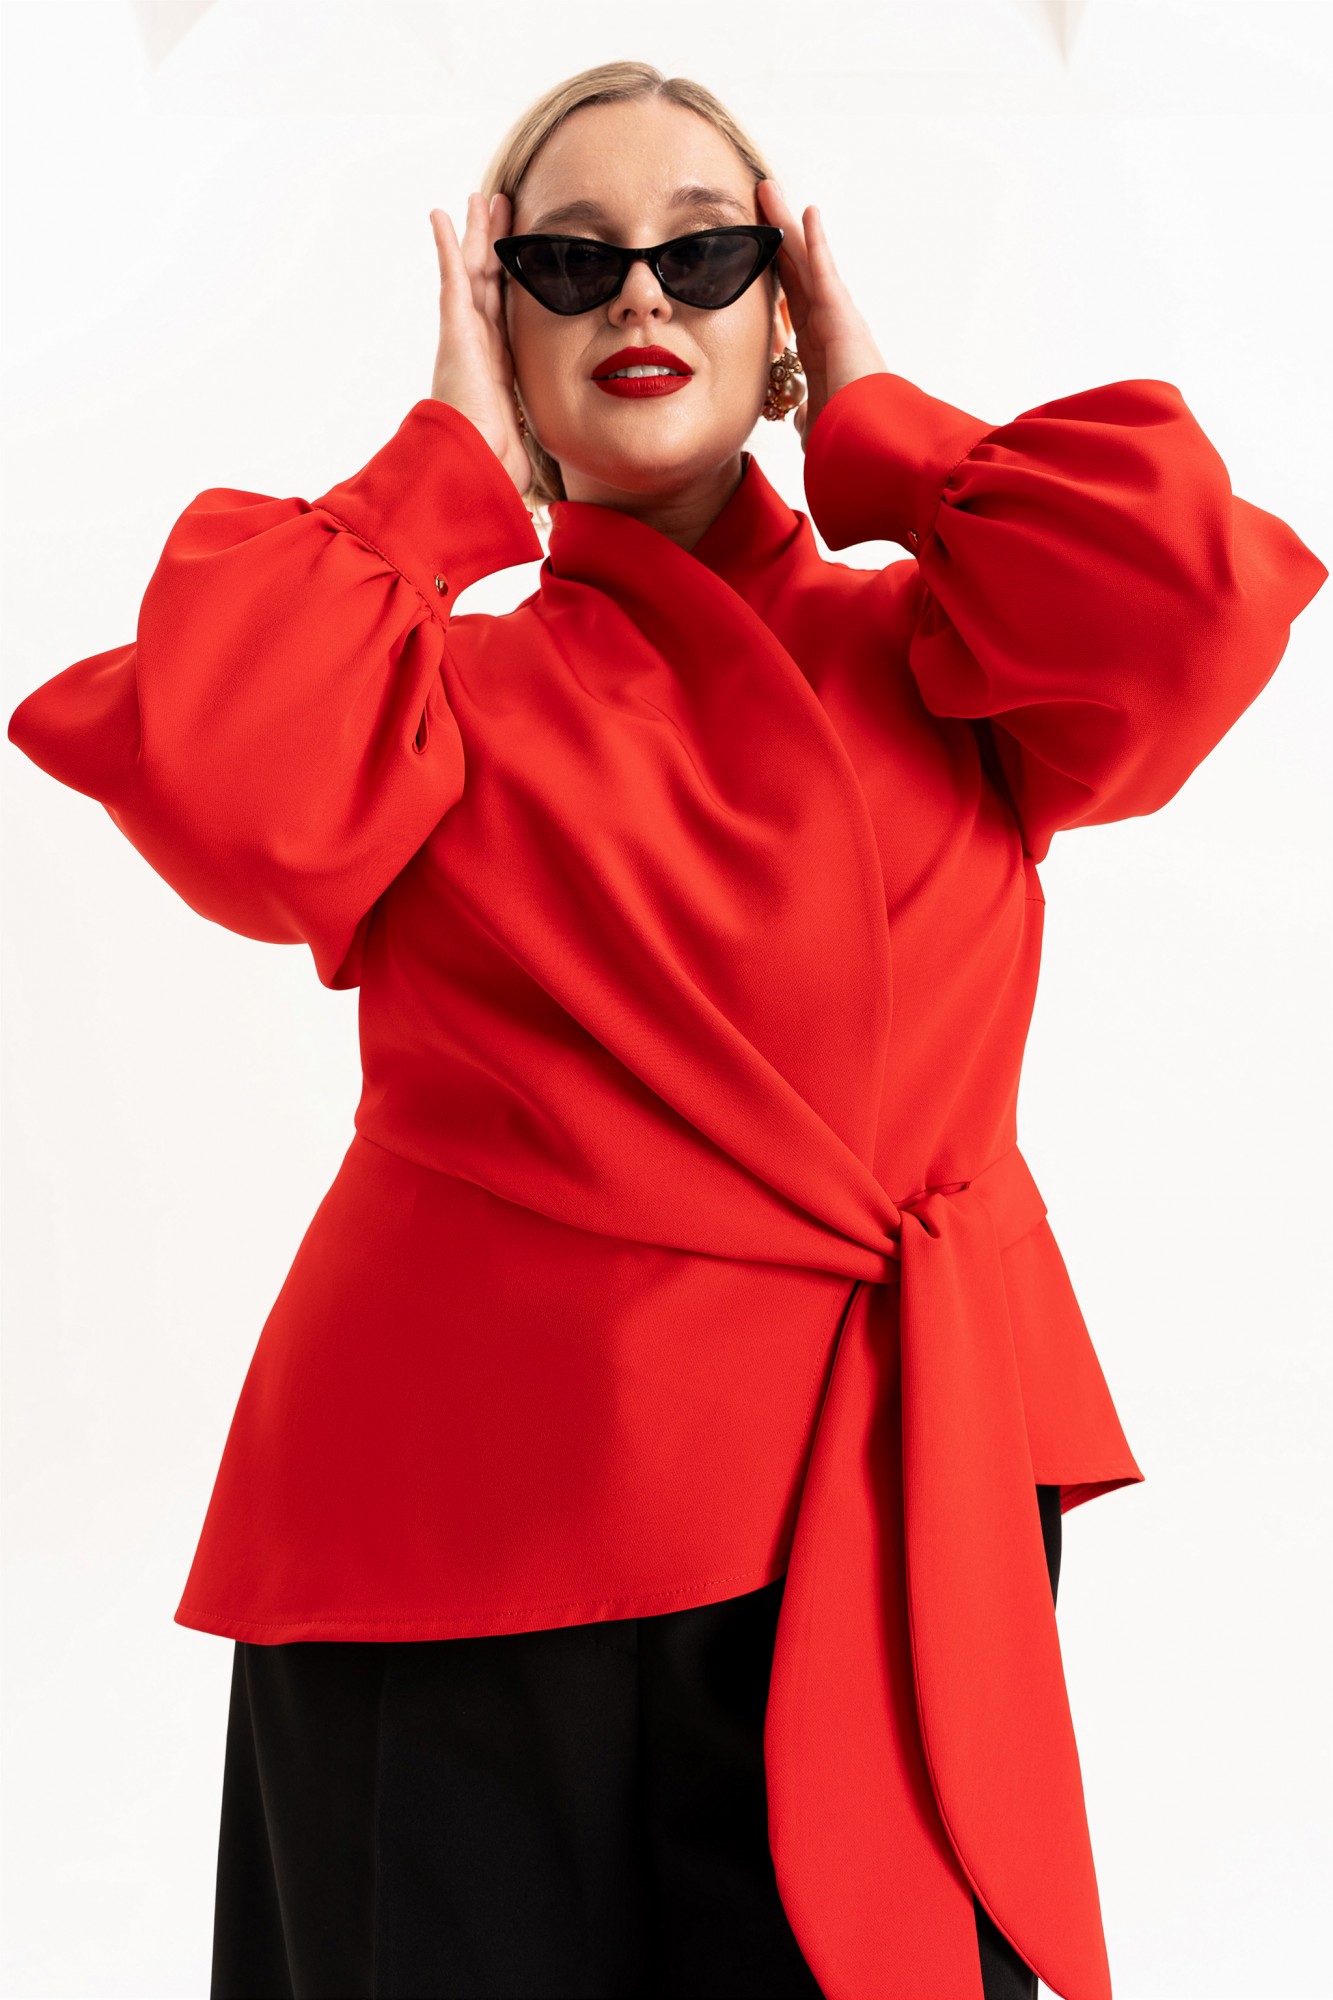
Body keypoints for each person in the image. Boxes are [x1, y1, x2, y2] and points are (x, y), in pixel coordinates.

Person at [7, 57, 1325, 2000]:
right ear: (501, 326)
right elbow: (226, 770)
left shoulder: (951, 655)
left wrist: (882, 426)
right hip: (461, 1526)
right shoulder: (427, 688)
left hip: (882, 1494)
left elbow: (1192, 598)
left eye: (705, 253)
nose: (641, 293)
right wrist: (440, 468)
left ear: (778, 309)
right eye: (568, 260)